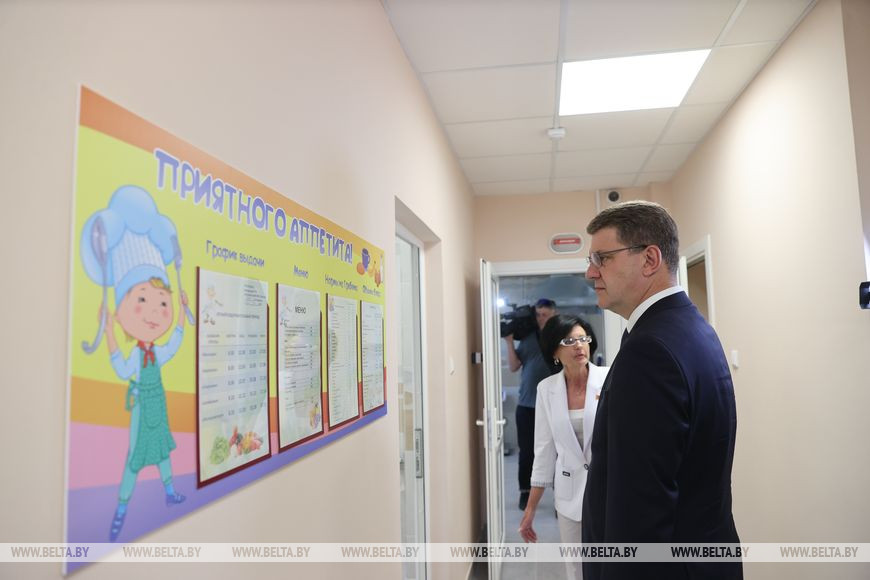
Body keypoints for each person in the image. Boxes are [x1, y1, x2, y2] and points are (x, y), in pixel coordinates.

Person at [581, 201, 741, 579]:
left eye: (603, 258)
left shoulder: (650, 351)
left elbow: (640, 511)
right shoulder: (692, 329)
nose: (590, 272)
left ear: (650, 259)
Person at [80, 185, 189, 543]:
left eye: (163, 302)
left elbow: (175, 340)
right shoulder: (139, 358)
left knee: (163, 449)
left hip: (158, 406)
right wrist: (109, 331)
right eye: (143, 299)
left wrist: (183, 312)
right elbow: (121, 368)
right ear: (122, 307)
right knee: (134, 457)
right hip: (143, 407)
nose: (156, 312)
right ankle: (122, 508)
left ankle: (170, 491)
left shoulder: (157, 352)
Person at [518, 314, 607, 580]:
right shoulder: (546, 389)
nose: (579, 345)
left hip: (608, 489)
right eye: (569, 341)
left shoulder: (609, 378)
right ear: (554, 352)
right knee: (576, 569)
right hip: (569, 495)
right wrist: (530, 509)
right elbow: (544, 452)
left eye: (583, 338)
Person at [504, 298, 557, 510]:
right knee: (526, 453)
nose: (541, 318)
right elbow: (514, 366)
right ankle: (525, 493)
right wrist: (509, 342)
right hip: (527, 405)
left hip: (554, 405)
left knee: (558, 452)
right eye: (538, 315)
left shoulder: (559, 337)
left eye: (545, 315)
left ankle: (560, 497)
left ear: (553, 314)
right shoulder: (527, 339)